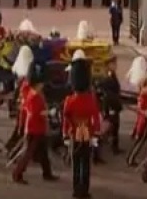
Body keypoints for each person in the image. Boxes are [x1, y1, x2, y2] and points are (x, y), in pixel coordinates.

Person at [10, 58, 57, 184]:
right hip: (33, 128)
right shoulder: (34, 96)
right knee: (27, 154)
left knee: (43, 153)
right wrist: (49, 112)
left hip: (38, 128)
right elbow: (36, 113)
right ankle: (17, 173)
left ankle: (47, 173)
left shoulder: (34, 93)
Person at [62, 52, 101, 199]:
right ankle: (84, 189)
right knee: (85, 163)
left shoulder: (69, 100)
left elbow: (66, 118)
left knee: (76, 163)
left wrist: (65, 134)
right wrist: (96, 134)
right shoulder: (90, 99)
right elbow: (95, 117)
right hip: (87, 133)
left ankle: (76, 189)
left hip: (74, 133)